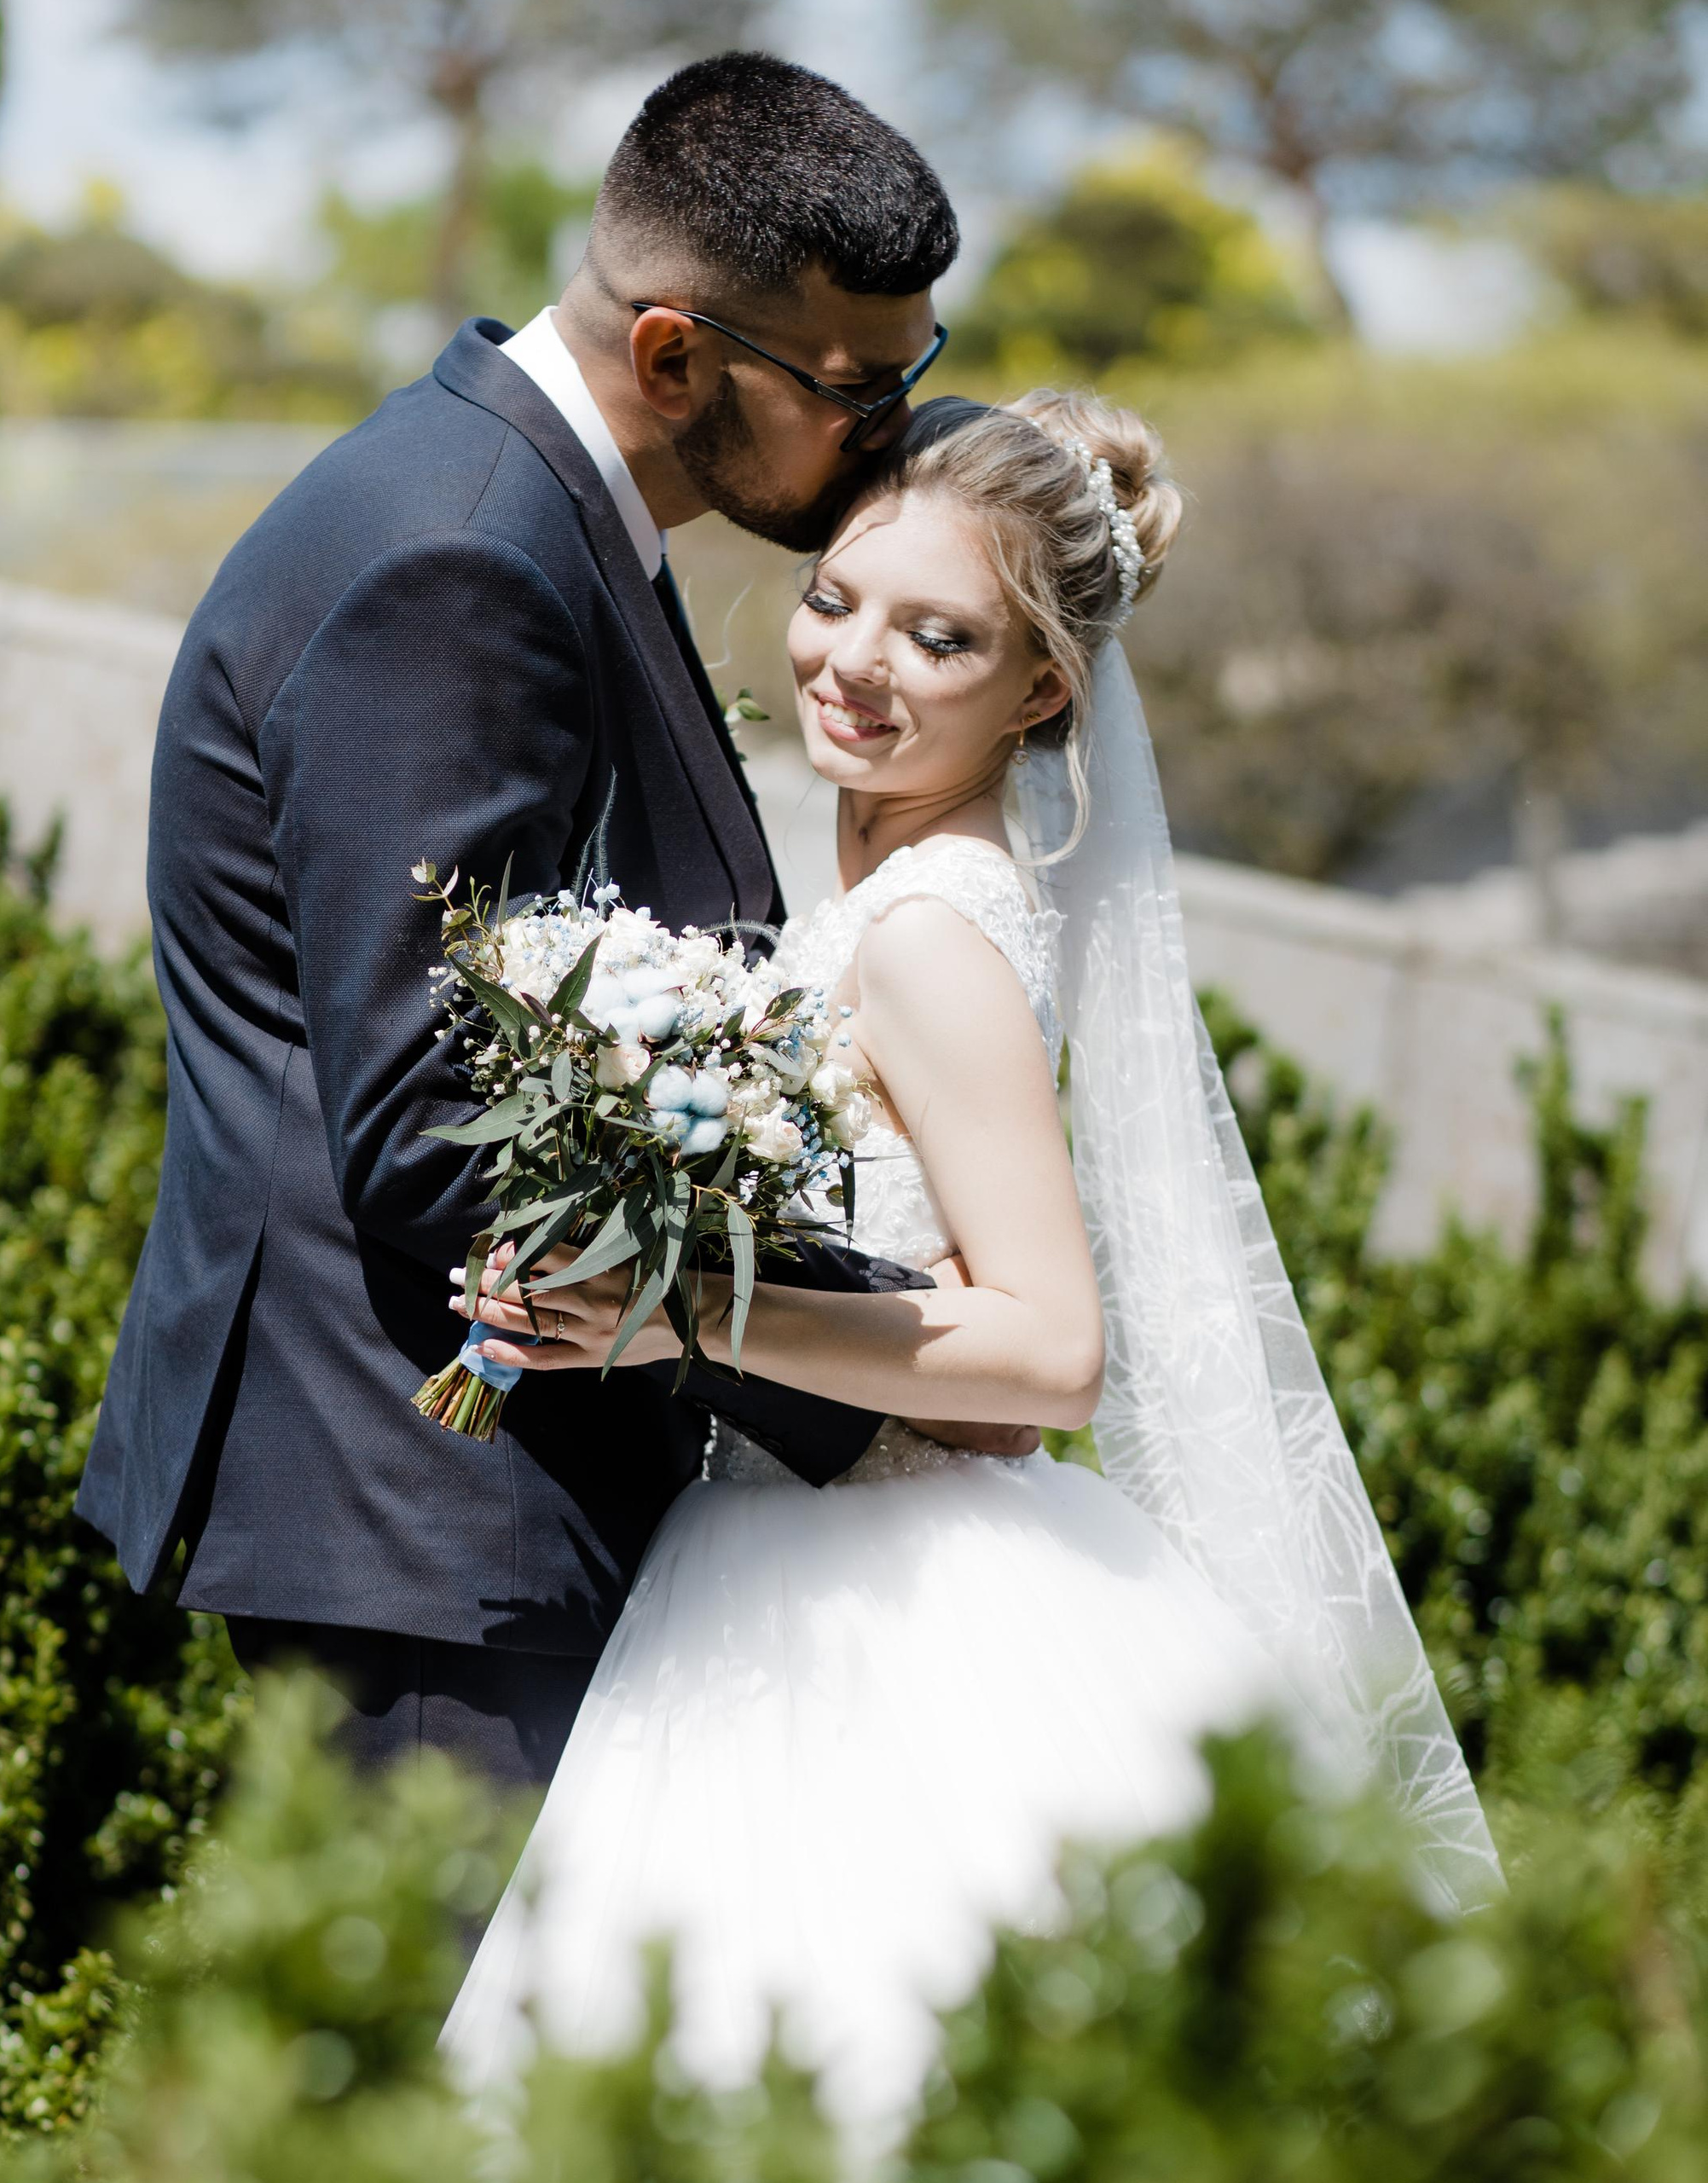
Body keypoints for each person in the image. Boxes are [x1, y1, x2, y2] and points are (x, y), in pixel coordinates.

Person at [439, 391, 1504, 2132]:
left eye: (936, 633)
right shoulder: (873, 895)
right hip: (782, 1536)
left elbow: (1044, 1352)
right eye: (837, 598)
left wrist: (676, 1308)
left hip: (893, 1582)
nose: (854, 661)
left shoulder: (932, 932)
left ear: (1039, 690)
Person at [75, 54, 1033, 1786]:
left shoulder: (535, 515)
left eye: (912, 379)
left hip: (481, 1524)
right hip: (439, 1524)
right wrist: (889, 1356)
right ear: (672, 353)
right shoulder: (461, 559)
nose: (887, 432)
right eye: (853, 387)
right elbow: (446, 1129)